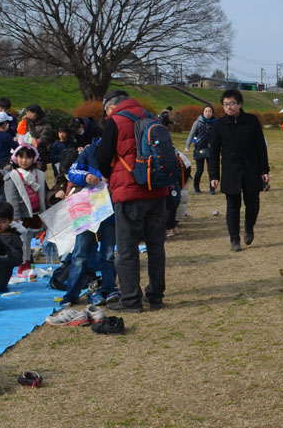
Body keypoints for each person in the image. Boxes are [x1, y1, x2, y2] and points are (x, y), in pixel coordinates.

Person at [96, 89, 168, 313]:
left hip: (129, 192)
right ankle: (155, 296)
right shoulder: (150, 116)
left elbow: (102, 158)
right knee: (156, 247)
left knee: (127, 249)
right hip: (157, 190)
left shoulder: (114, 121)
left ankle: (130, 300)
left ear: (110, 106)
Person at [207, 89, 270, 252]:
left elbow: (261, 147)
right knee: (232, 206)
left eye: (232, 103)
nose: (229, 107)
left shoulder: (252, 121)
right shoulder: (219, 125)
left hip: (251, 168)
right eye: (226, 104)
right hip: (230, 170)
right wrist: (213, 175)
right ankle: (234, 239)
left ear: (240, 104)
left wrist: (264, 170)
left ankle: (249, 227)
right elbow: (213, 152)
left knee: (253, 204)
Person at [64, 136, 118, 306]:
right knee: (80, 253)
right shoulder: (90, 150)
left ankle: (108, 289)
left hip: (110, 212)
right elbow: (73, 171)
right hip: (87, 210)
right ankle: (71, 293)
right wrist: (86, 176)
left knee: (108, 254)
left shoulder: (122, 150)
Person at [3, 143, 47, 275]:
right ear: (16, 158)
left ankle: (27, 261)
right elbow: (12, 199)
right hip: (20, 215)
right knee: (22, 241)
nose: (24, 161)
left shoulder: (39, 174)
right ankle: (22, 264)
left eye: (28, 157)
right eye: (21, 157)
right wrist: (15, 218)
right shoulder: (12, 176)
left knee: (29, 239)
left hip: (35, 212)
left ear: (33, 159)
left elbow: (43, 194)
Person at [185, 105, 216, 194]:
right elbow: (193, 135)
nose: (208, 113)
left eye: (210, 111)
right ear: (203, 112)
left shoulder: (215, 123)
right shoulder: (198, 123)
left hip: (211, 149)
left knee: (211, 170)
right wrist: (189, 145)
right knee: (199, 170)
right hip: (199, 150)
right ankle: (196, 186)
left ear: (212, 113)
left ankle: (212, 188)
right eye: (206, 111)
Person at [0, 202, 23, 293]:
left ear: (11, 220)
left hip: (1, 279)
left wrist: (1, 259)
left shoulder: (13, 238)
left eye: (3, 221)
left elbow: (18, 259)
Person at [23, 104, 52, 170]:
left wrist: (36, 141)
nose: (29, 115)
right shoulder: (28, 123)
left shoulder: (45, 125)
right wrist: (23, 123)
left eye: (31, 113)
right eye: (27, 112)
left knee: (38, 172)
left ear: (37, 113)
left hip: (39, 151)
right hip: (28, 149)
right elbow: (22, 133)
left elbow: (45, 138)